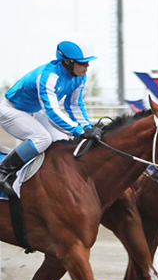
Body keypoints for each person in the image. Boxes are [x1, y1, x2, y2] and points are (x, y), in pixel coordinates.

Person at [0, 35, 101, 195]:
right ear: (68, 61)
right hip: (11, 111)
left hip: (33, 111)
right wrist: (80, 131)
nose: (87, 66)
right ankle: (3, 172)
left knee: (61, 142)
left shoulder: (79, 76)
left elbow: (74, 105)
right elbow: (52, 111)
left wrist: (88, 127)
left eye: (88, 62)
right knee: (42, 139)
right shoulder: (48, 77)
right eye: (83, 62)